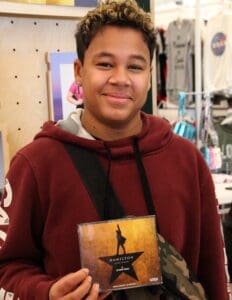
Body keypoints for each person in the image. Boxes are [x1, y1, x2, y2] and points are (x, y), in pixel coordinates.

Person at [0, 0, 229, 299]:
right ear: (79, 71)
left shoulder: (186, 160)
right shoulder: (36, 164)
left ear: (149, 77)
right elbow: (7, 267)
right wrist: (46, 293)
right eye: (105, 64)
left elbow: (212, 270)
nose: (120, 79)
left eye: (135, 66)